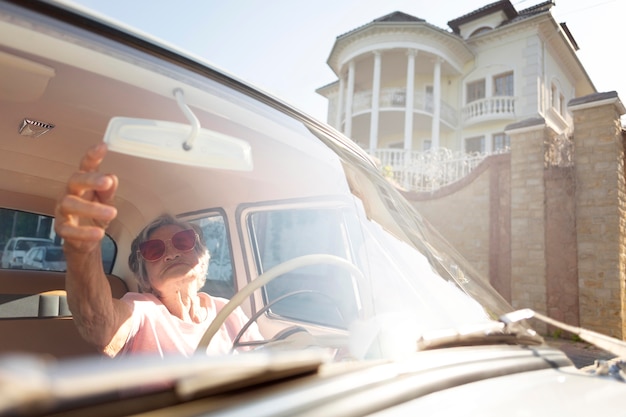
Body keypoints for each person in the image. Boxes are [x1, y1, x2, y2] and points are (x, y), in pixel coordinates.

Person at [54, 143, 261, 357]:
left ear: (200, 257)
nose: (172, 253)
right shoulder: (143, 310)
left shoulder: (227, 311)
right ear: (144, 277)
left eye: (182, 241)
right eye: (155, 250)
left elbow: (264, 360)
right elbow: (98, 324)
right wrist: (83, 248)